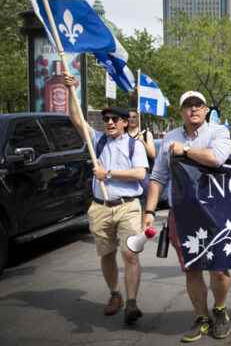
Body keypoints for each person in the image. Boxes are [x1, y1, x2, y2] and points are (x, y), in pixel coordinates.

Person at [143, 91, 231, 342]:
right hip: (181, 214)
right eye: (187, 106)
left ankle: (220, 310)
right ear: (181, 111)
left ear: (205, 110)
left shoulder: (218, 132)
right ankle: (202, 317)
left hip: (215, 213)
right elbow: (158, 177)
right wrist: (148, 212)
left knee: (219, 269)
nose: (193, 109)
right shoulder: (169, 138)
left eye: (198, 105)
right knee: (192, 270)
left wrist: (185, 150)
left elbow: (215, 158)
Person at [63, 75, 149, 325]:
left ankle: (131, 303)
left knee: (130, 254)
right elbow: (76, 119)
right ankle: (115, 294)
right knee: (107, 254)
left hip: (128, 207)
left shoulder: (135, 146)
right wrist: (71, 91)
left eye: (114, 119)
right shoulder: (98, 141)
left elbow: (140, 174)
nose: (109, 123)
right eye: (106, 119)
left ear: (124, 123)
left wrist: (108, 173)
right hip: (100, 208)